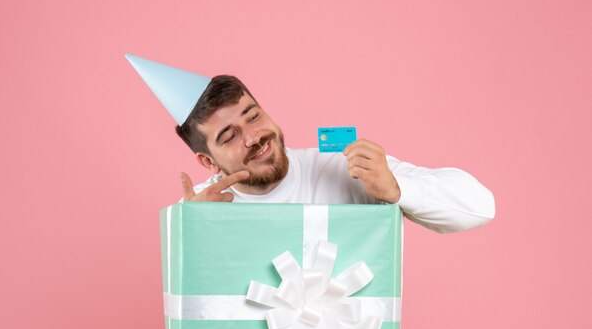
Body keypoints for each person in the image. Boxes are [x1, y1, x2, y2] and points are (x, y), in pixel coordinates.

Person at [126, 54, 495, 234]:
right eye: (230, 136)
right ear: (207, 163)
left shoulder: (342, 167)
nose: (254, 137)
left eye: (253, 116)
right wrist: (194, 232)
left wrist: (396, 189)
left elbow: (480, 207)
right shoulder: (197, 211)